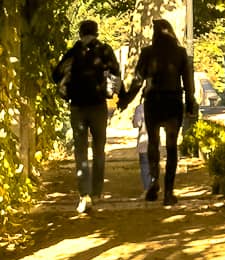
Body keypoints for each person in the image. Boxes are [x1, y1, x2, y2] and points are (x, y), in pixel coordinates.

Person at [118, 19, 196, 205]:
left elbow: (138, 80)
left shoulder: (147, 53)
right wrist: (190, 102)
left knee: (153, 143)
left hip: (153, 101)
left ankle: (154, 182)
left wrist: (126, 100)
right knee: (171, 147)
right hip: (173, 101)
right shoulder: (180, 53)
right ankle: (169, 192)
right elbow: (188, 82)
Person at [52, 19, 121, 215]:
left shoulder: (74, 52)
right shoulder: (105, 50)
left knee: (80, 151)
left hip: (78, 107)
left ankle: (84, 194)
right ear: (97, 32)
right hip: (99, 105)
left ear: (80, 33)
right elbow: (116, 71)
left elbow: (56, 74)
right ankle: (97, 193)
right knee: (99, 150)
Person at [132, 102, 151, 196]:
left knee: (144, 165)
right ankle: (154, 185)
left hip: (143, 141)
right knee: (154, 164)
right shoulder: (158, 107)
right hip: (155, 141)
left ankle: (147, 188)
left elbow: (137, 123)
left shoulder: (140, 108)